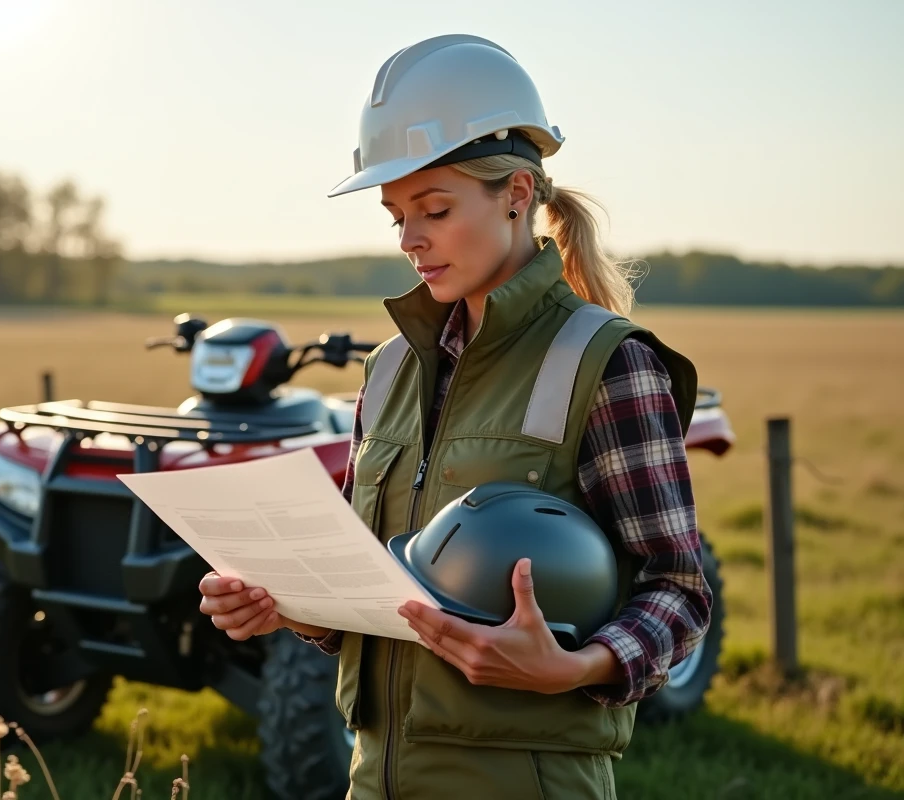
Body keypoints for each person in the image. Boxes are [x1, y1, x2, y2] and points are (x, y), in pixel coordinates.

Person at [198, 33, 712, 799]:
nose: (410, 240)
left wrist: (576, 667)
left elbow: (679, 589)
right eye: (395, 215)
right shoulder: (391, 367)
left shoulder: (605, 362)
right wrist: (287, 604)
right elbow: (374, 588)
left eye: (434, 209)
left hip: (527, 779)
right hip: (374, 778)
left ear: (516, 194)